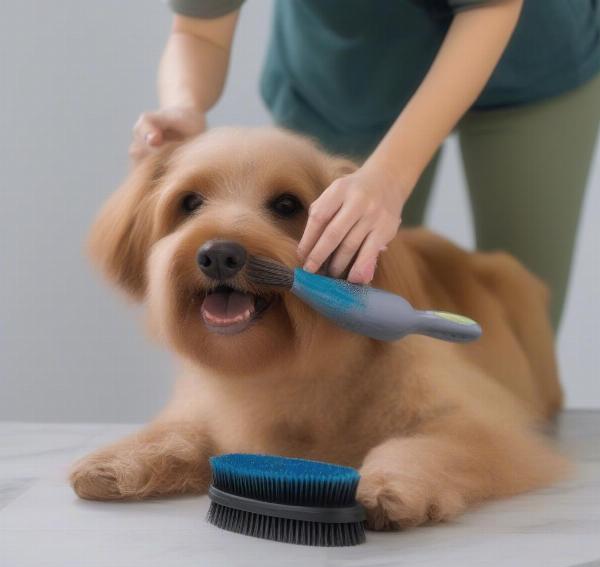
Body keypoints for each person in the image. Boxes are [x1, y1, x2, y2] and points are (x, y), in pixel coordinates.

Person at [130, 0, 600, 329]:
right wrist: (183, 105)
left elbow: (487, 7)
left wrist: (391, 177)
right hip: (346, 76)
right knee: (339, 309)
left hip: (531, 57)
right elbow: (198, 31)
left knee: (521, 317)